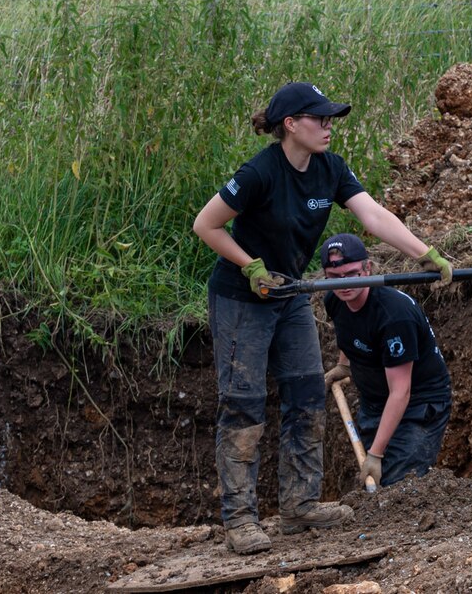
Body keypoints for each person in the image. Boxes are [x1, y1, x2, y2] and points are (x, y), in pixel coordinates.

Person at [191, 81, 455, 556]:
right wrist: (249, 266)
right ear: (291, 125)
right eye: (320, 119)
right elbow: (205, 224)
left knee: (308, 393)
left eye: (331, 118)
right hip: (242, 297)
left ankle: (300, 505)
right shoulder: (259, 172)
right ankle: (241, 520)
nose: (329, 127)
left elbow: (373, 215)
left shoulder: (330, 170)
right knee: (244, 403)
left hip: (290, 292)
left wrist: (425, 252)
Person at [317, 233, 454, 487]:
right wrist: (343, 365)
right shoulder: (333, 299)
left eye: (351, 274)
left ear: (368, 268)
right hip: (375, 401)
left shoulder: (394, 316)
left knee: (399, 483)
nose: (343, 284)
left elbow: (401, 391)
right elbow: (348, 329)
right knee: (379, 481)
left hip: (419, 404)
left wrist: (375, 453)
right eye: (334, 278)